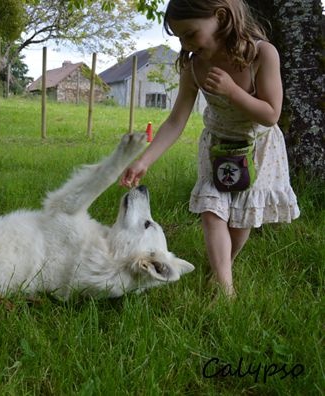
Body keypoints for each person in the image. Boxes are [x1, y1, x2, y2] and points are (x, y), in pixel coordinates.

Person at [120, 0, 300, 298]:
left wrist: (232, 90)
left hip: (257, 148)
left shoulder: (262, 54)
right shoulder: (195, 67)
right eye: (179, 38)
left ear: (220, 17)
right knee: (212, 211)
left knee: (241, 219)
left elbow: (271, 113)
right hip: (217, 147)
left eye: (190, 34)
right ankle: (225, 287)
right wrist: (144, 160)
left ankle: (222, 267)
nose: (185, 44)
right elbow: (176, 120)